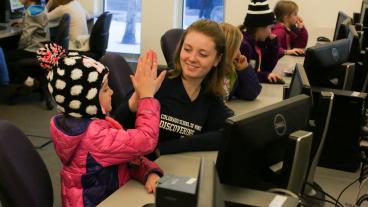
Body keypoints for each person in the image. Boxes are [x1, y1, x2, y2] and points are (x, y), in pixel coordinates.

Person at [37, 43, 166, 207]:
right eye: (105, 89)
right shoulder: (94, 136)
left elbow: (123, 158)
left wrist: (148, 172)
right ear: (86, 100)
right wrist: (147, 97)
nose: (112, 92)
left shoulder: (82, 121)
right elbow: (146, 139)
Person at [113, 19, 234, 159]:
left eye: (203, 54)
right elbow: (115, 126)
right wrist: (136, 100)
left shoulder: (210, 94)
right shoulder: (157, 80)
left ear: (217, 60)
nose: (192, 58)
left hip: (173, 167)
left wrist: (169, 147)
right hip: (136, 170)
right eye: (187, 49)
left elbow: (229, 133)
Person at [5, 0, 49, 87]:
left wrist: (19, 48)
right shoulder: (42, 8)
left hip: (32, 50)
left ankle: (28, 80)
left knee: (4, 58)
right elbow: (36, 26)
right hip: (42, 47)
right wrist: (23, 23)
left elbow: (26, 37)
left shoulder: (30, 13)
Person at [239, 0, 283, 84]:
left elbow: (266, 69)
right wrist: (264, 76)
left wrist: (272, 44)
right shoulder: (244, 46)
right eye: (269, 28)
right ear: (260, 27)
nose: (270, 32)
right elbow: (245, 76)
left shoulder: (257, 44)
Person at [219, 22, 262, 101]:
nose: (239, 53)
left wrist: (245, 69)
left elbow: (251, 94)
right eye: (237, 49)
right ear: (228, 49)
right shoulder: (210, 75)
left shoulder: (231, 73)